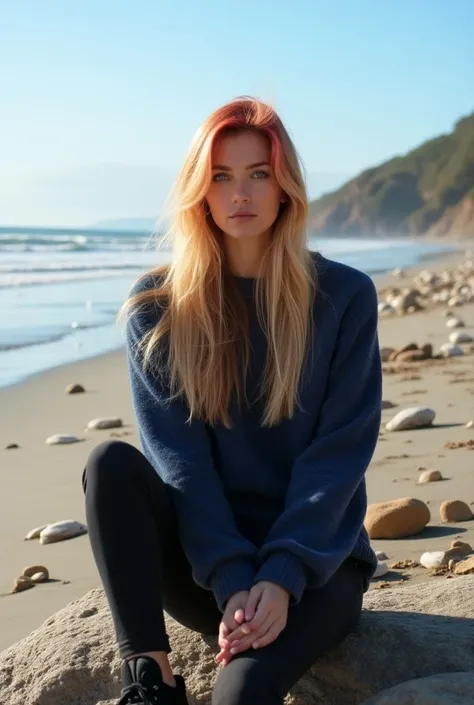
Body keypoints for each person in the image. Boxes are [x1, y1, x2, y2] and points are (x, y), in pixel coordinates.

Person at [82, 96, 382, 705]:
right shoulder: (157, 308)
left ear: (285, 188)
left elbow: (337, 457)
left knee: (239, 697)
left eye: (258, 174)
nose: (239, 193)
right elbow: (180, 464)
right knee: (109, 465)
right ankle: (149, 679)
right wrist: (232, 577)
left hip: (317, 568)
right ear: (200, 190)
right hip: (207, 566)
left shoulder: (345, 296)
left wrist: (279, 576)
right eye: (220, 176)